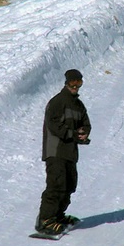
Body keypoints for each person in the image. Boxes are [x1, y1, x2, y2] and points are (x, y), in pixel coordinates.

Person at [35, 69, 91, 235]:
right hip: (55, 151)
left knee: (69, 185)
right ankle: (45, 220)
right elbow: (54, 126)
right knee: (56, 185)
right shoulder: (57, 102)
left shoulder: (78, 105)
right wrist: (73, 134)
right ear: (66, 83)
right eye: (72, 83)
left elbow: (86, 123)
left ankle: (58, 216)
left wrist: (84, 133)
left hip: (70, 153)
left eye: (78, 83)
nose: (75, 87)